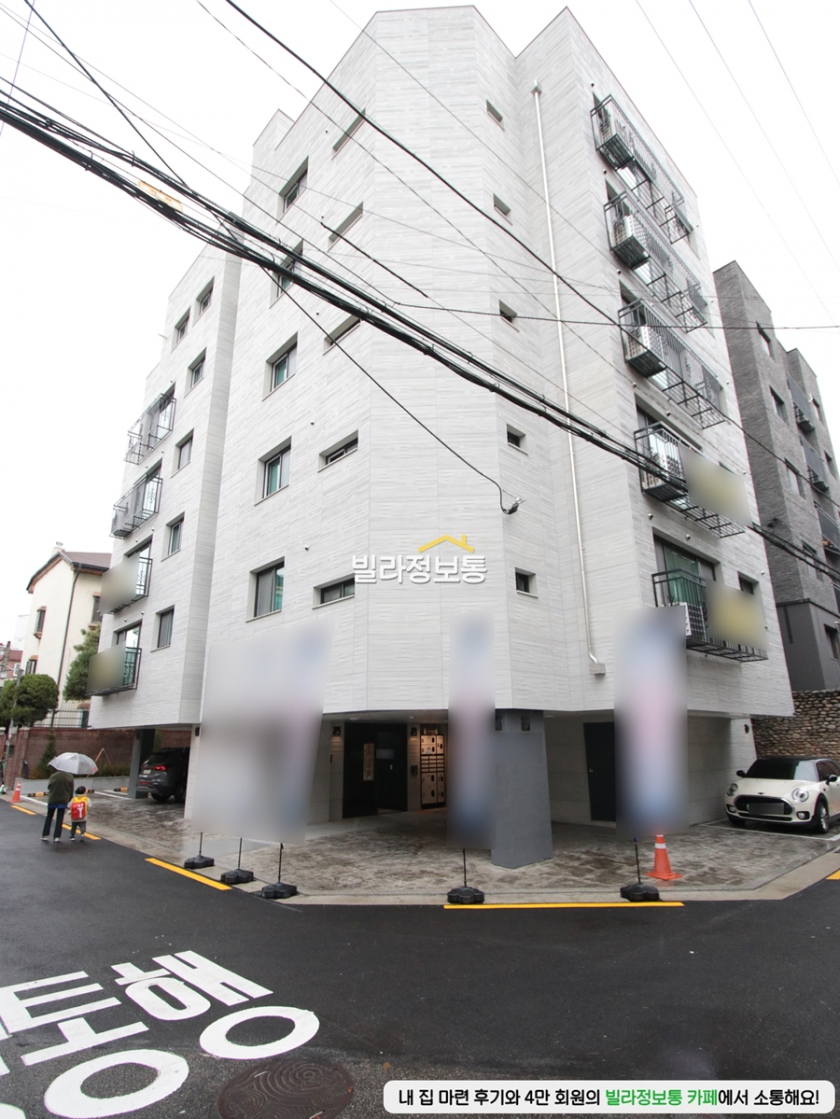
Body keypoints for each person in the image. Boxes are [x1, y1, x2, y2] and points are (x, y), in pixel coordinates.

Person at [41, 766, 74, 843]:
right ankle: (57, 836)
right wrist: (69, 799)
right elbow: (71, 789)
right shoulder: (70, 777)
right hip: (63, 799)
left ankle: (45, 835)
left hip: (53, 799)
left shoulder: (53, 776)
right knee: (60, 818)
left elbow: (49, 787)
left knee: (49, 816)